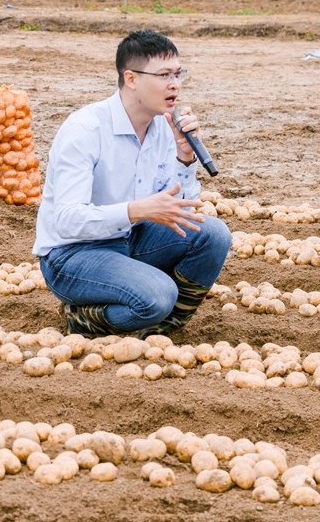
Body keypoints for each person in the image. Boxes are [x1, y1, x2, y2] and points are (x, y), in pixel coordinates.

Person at [34, 29, 231, 337]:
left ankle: (160, 327)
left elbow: (182, 207)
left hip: (130, 239)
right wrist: (136, 210)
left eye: (179, 74)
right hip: (73, 255)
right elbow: (67, 222)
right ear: (131, 79)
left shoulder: (165, 128)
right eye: (164, 74)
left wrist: (185, 158)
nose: (175, 84)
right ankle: (82, 317)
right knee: (159, 295)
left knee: (213, 235)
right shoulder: (85, 129)